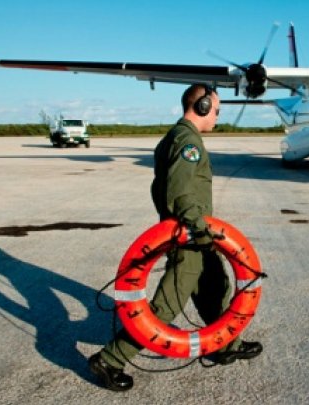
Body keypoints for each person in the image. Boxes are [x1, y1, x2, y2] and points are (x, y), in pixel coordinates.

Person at [88, 83, 263, 392]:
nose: (218, 117)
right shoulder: (187, 142)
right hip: (190, 237)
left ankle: (225, 347)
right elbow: (178, 192)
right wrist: (197, 228)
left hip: (197, 236)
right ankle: (110, 359)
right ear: (203, 107)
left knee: (215, 287)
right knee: (166, 306)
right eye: (217, 110)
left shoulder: (176, 135)